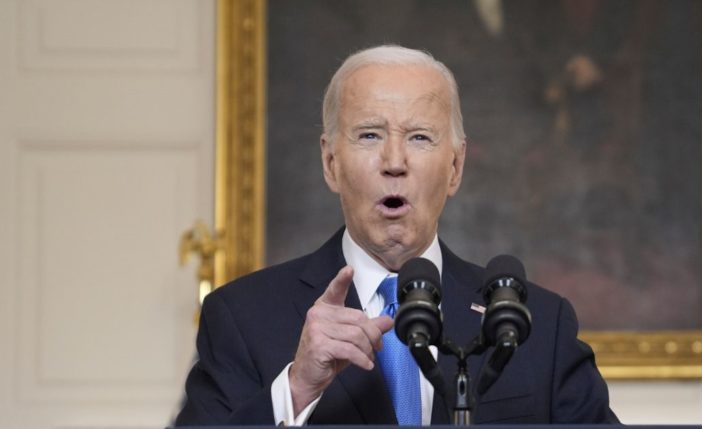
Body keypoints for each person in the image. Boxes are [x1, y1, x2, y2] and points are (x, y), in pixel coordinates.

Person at [175, 45, 618, 426]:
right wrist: (296, 389)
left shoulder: (538, 322)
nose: (394, 161)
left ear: (455, 167)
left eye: (420, 137)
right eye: (369, 135)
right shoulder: (242, 317)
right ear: (331, 163)